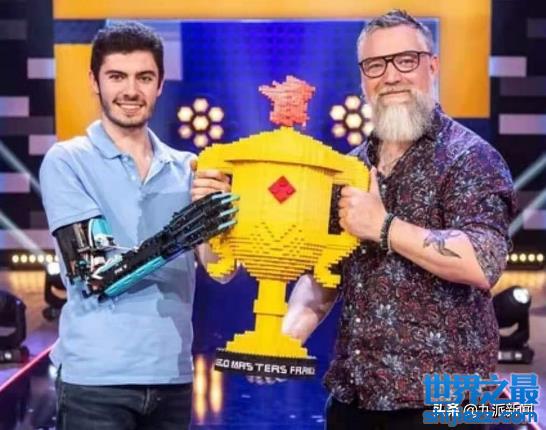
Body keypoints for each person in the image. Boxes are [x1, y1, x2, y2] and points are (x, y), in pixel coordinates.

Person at [281, 9, 516, 430]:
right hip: (355, 398)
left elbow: (484, 262)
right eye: (375, 65)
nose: (391, 76)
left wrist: (385, 227)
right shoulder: (347, 169)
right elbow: (323, 278)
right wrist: (279, 342)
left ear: (432, 66)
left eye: (406, 60)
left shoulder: (472, 158)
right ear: (362, 79)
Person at [39, 22, 230, 430]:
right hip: (96, 384)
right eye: (117, 76)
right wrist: (183, 231)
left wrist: (218, 220)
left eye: (144, 77)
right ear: (94, 81)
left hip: (173, 378)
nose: (130, 90)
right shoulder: (67, 161)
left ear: (159, 84)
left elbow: (220, 270)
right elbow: (96, 275)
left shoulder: (190, 168)